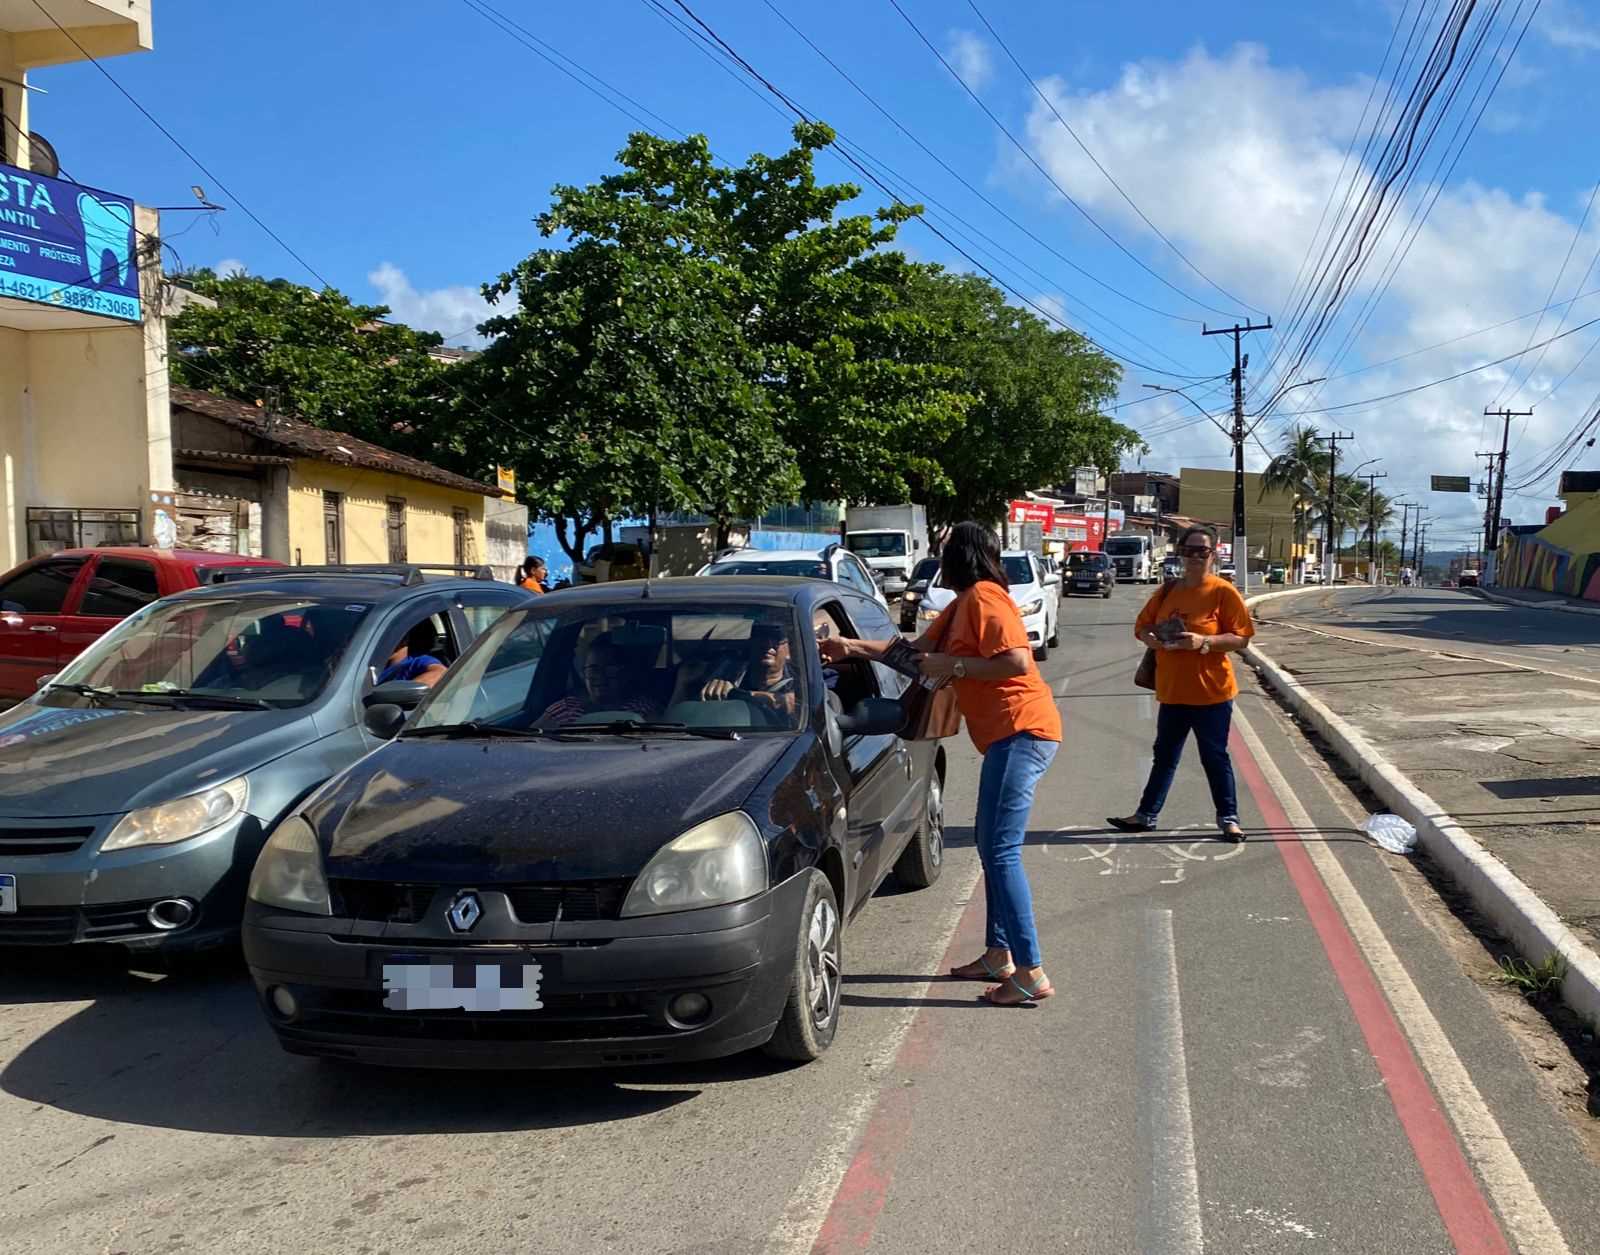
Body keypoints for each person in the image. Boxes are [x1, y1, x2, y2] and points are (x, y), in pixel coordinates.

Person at [820, 521, 1062, 1007]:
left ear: (962, 557)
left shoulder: (986, 600)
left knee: (1001, 850)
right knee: (990, 844)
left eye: (946, 549)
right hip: (1006, 736)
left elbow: (1017, 661)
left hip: (1024, 731)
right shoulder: (962, 606)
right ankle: (998, 955)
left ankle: (1030, 971)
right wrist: (851, 648)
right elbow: (912, 654)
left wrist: (956, 667)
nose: (939, 555)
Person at [1109, 526, 1255, 841]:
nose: (1195, 557)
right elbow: (1142, 626)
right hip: (1173, 692)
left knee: (1214, 757)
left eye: (1202, 551)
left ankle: (1229, 818)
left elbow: (1241, 638)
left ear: (1213, 554)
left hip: (1211, 694)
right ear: (1180, 552)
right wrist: (1152, 638)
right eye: (1189, 550)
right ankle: (1146, 815)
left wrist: (1204, 641)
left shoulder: (1223, 592)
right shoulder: (1167, 591)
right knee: (1164, 755)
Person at [537, 632, 660, 727]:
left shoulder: (641, 709)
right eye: (593, 669)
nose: (600, 676)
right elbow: (529, 743)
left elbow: (661, 745)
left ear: (626, 674)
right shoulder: (565, 709)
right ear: (583, 673)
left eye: (610, 669)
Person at [701, 622, 797, 717]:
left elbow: (794, 703)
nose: (768, 644)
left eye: (777, 639)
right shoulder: (726, 670)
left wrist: (737, 694)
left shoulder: (802, 681)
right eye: (761, 637)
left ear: (789, 651)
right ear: (750, 644)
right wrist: (715, 688)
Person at [378, 621, 449, 688]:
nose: (379, 642)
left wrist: (402, 692)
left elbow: (441, 673)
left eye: (387, 637)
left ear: (404, 639)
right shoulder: (372, 663)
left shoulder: (417, 661)